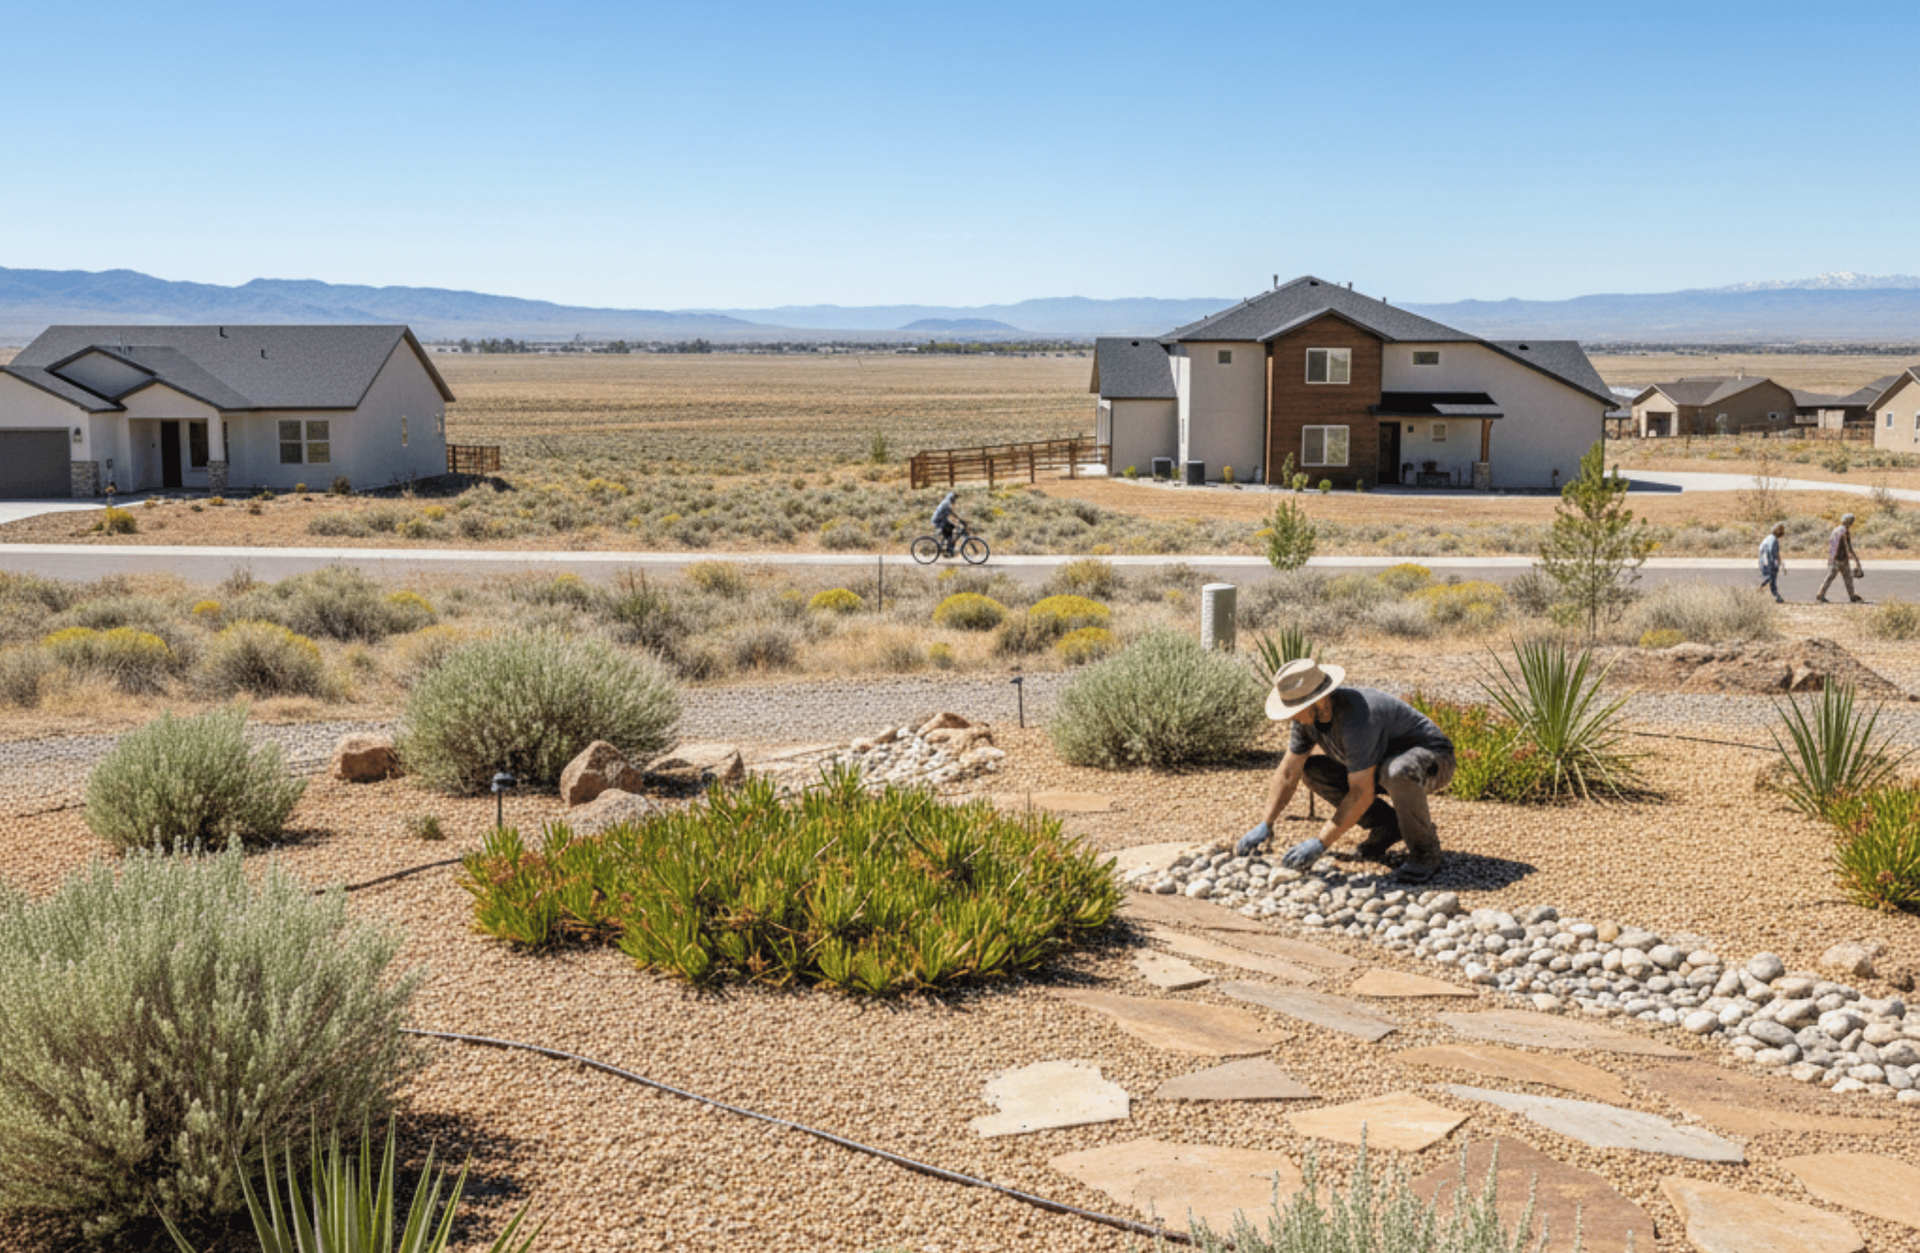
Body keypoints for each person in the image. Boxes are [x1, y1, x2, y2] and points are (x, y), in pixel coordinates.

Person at [1236, 658, 1457, 883]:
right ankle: (1388, 826)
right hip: (1380, 765)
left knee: (1397, 772)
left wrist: (1321, 841)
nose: (1291, 716)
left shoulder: (1358, 717)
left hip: (1433, 760)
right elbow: (1288, 772)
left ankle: (1425, 853)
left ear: (1318, 701)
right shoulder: (1305, 720)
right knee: (1312, 770)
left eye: (1295, 709)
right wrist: (1266, 822)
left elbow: (1362, 791)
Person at [1816, 513, 1865, 604]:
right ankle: (1852, 596)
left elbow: (1831, 543)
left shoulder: (1835, 530)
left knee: (1831, 577)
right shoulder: (1845, 531)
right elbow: (1849, 547)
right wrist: (1856, 560)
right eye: (1851, 521)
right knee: (1847, 578)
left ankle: (1821, 594)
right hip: (1842, 558)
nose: (1852, 523)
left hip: (1834, 557)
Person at [931, 490, 969, 554]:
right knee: (949, 534)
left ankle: (949, 549)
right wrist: (960, 520)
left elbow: (951, 514)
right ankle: (948, 550)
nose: (955, 500)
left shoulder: (947, 502)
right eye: (954, 498)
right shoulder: (946, 503)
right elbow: (951, 514)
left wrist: (958, 520)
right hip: (938, 521)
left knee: (952, 527)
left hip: (942, 520)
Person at [1758, 522, 1786, 603]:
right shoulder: (1773, 540)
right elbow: (1772, 553)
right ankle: (1777, 597)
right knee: (1772, 579)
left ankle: (1760, 589)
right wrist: (1775, 563)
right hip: (1769, 563)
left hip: (1764, 561)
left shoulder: (1769, 538)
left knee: (1769, 578)